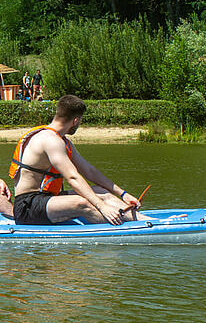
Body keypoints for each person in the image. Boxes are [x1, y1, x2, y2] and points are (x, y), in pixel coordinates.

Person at [9, 94, 140, 225]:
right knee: (81, 203)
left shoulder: (63, 142)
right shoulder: (49, 140)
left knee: (101, 192)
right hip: (27, 207)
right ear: (76, 120)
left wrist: (123, 194)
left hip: (49, 199)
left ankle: (148, 222)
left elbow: (89, 171)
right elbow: (73, 178)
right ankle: (127, 226)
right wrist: (102, 206)